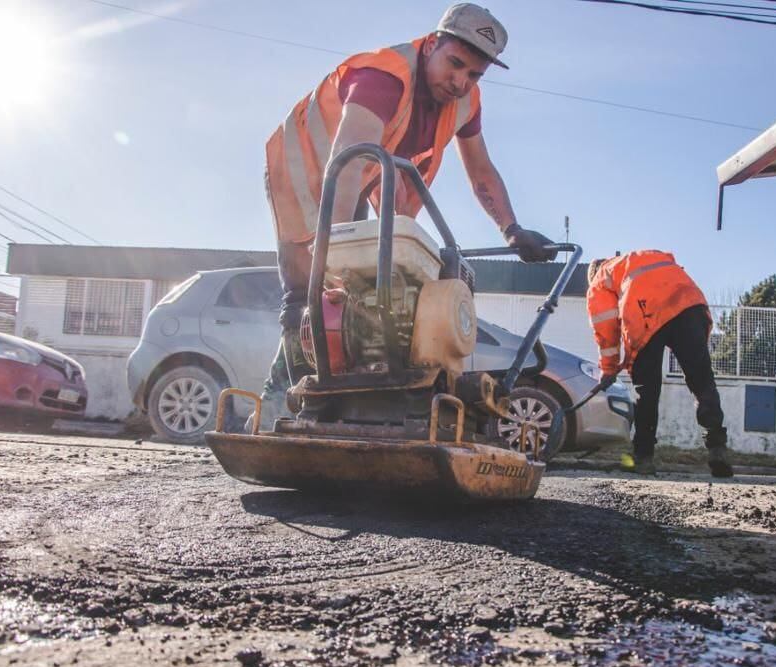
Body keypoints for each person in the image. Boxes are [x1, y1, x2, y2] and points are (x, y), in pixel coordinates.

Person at [253, 3, 556, 427]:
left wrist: (511, 229)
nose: (461, 81)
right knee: (311, 290)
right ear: (431, 43)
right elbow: (346, 163)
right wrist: (337, 260)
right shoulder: (384, 77)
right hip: (304, 164)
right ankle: (284, 408)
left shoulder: (466, 100)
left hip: (359, 173)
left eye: (473, 74)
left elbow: (482, 170)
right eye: (454, 64)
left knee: (371, 293)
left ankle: (359, 405)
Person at [586, 251, 734, 477]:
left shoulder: (599, 279)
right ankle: (717, 447)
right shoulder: (640, 258)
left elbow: (606, 329)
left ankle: (643, 458)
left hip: (645, 311)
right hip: (688, 302)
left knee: (646, 391)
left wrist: (608, 369)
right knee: (701, 381)